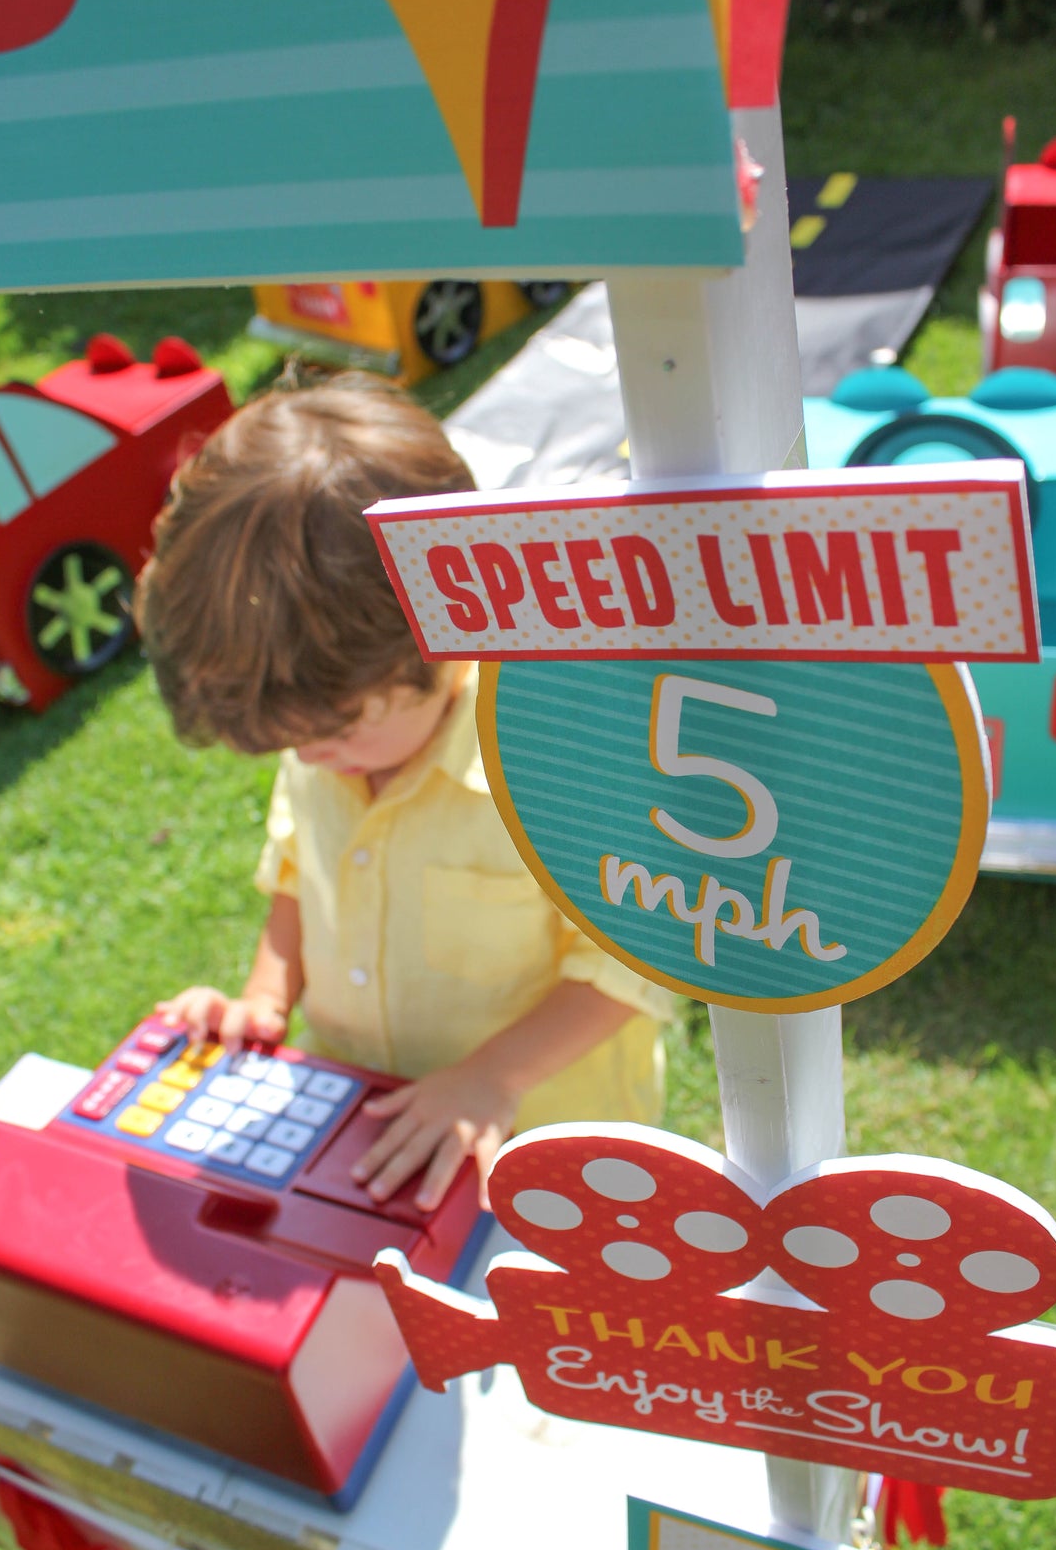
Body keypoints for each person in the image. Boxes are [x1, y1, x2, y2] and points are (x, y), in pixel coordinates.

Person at [137, 374, 671, 1212]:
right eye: (293, 745)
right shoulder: (326, 737)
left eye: (339, 731)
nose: (315, 757)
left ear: (443, 635)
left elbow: (633, 967)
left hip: (547, 1156)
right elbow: (297, 878)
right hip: (366, 1136)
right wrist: (264, 1000)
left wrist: (492, 1077)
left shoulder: (557, 759)